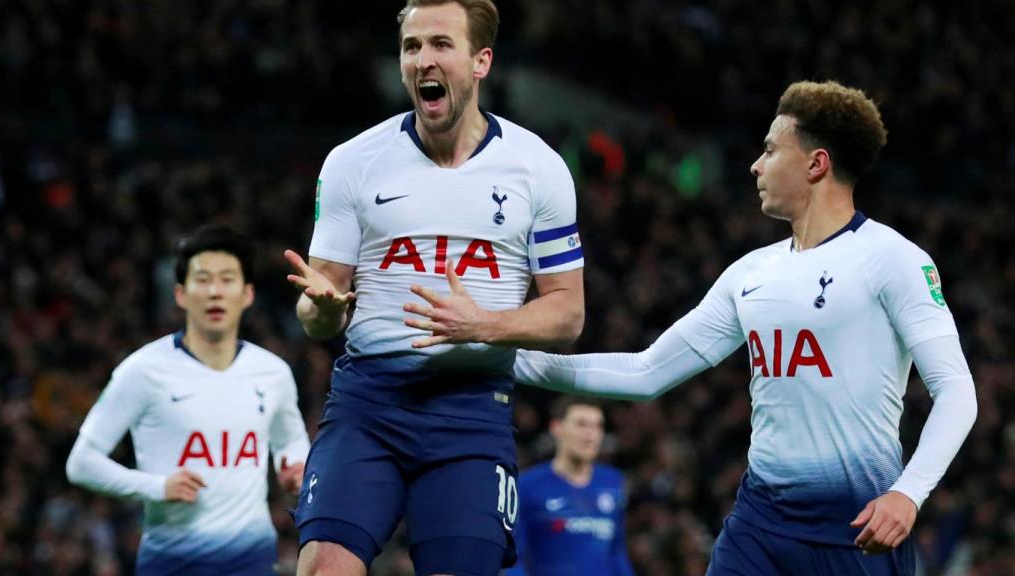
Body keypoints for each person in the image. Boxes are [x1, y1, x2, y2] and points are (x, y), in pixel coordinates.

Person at [414, 80, 978, 575]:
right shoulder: (750, 273)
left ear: (816, 164)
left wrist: (908, 493)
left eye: (770, 150)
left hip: (854, 525)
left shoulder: (895, 260)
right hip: (760, 523)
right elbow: (647, 372)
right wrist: (497, 347)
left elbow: (956, 391)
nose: (755, 165)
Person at [283, 1, 585, 575]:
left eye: (441, 44)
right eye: (411, 46)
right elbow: (320, 311)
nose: (423, 59)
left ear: (481, 62)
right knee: (323, 566)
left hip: (471, 410)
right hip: (368, 404)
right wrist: (320, 309)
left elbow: (568, 313)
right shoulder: (352, 162)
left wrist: (483, 326)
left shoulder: (538, 168)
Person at [66, 223, 311, 575]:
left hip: (253, 558)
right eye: (203, 279)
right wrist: (157, 486)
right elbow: (81, 462)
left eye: (227, 279)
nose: (215, 292)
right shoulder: (143, 370)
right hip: (171, 561)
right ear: (181, 294)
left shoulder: (272, 372)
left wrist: (293, 467)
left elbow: (289, 440)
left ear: (247, 294)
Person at [507, 397, 634, 576]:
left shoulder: (612, 482)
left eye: (598, 426)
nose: (591, 435)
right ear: (556, 428)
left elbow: (616, 552)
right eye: (581, 424)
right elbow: (514, 557)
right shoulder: (528, 486)